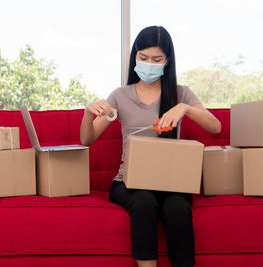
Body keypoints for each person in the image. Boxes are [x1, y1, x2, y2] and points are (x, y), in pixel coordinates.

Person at [80, 25, 221, 267]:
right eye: (143, 58)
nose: (149, 63)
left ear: (167, 61)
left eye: (157, 59)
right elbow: (87, 139)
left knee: (178, 208)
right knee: (144, 202)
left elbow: (215, 127)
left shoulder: (181, 94)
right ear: (135, 56)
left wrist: (185, 108)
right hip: (128, 181)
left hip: (170, 181)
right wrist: (87, 111)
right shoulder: (120, 96)